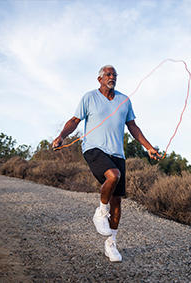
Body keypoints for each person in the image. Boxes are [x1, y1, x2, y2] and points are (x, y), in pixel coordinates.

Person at [52, 65, 161, 262]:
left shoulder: (124, 100)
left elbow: (133, 127)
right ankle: (100, 212)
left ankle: (111, 244)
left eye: (114, 75)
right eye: (108, 74)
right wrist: (61, 136)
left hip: (117, 152)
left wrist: (149, 147)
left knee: (117, 201)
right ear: (99, 79)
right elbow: (75, 120)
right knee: (113, 175)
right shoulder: (89, 97)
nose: (112, 77)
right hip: (94, 149)